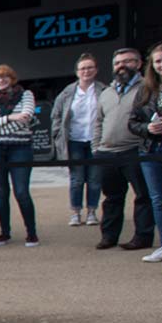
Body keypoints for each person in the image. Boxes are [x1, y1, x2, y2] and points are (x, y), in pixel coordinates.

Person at [92, 47, 154, 252]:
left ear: (138, 64)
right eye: (118, 63)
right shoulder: (106, 92)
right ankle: (109, 236)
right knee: (111, 197)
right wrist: (96, 148)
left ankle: (142, 237)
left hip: (134, 150)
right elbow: (98, 122)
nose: (121, 66)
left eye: (127, 61)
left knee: (142, 196)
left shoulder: (146, 88)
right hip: (107, 153)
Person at [0, 64, 39, 247]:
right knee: (1, 192)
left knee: (21, 191)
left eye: (4, 77)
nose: (1, 81)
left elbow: (26, 117)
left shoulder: (25, 95)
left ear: (12, 78)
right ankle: (4, 232)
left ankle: (31, 232)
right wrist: (10, 118)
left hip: (20, 148)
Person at [49, 52, 106, 228]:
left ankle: (91, 212)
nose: (86, 71)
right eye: (82, 68)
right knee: (77, 178)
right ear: (77, 72)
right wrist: (58, 133)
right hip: (74, 140)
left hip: (96, 140)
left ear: (96, 70)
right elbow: (56, 115)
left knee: (95, 179)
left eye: (89, 67)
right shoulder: (67, 92)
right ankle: (75, 212)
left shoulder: (104, 90)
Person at [129, 41, 162, 263]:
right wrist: (147, 128)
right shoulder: (145, 90)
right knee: (159, 199)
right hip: (150, 150)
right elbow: (133, 122)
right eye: (158, 61)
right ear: (152, 65)